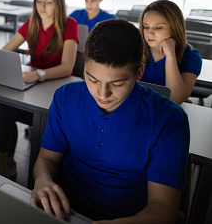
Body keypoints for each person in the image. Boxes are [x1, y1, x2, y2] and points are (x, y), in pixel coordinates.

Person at [31, 19, 190, 223]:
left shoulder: (169, 120)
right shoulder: (65, 97)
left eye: (116, 83)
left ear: (139, 73)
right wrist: (43, 181)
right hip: (65, 211)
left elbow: (163, 209)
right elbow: (47, 159)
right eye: (92, 79)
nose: (102, 93)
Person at [0, 0, 79, 178]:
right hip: (33, 90)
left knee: (41, 122)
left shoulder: (70, 25)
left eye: (48, 2)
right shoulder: (32, 23)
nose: (42, 6)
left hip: (55, 91)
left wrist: (37, 74)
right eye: (39, 1)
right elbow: (5, 51)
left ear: (59, 3)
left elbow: (67, 67)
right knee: (4, 108)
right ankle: (3, 161)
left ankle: (37, 177)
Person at [139, 0, 202, 104]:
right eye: (146, 27)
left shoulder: (191, 56)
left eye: (158, 27)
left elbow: (176, 99)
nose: (149, 33)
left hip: (165, 113)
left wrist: (170, 55)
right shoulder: (135, 49)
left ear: (174, 28)